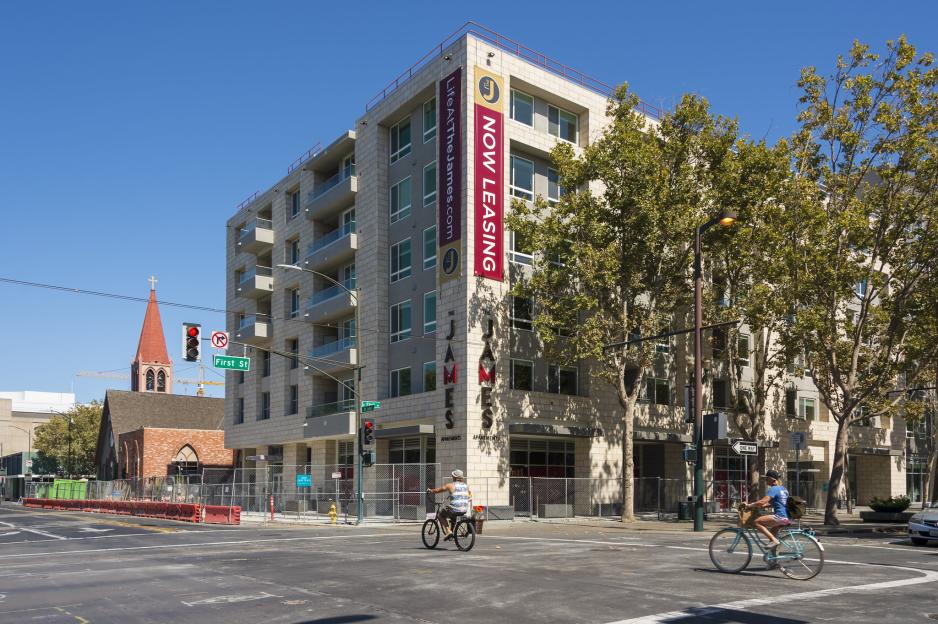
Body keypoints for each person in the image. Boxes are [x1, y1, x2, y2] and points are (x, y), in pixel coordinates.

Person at [744, 469, 791, 552]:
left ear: (772, 480)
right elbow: (775, 503)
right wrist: (760, 506)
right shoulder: (783, 489)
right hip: (787, 517)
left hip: (780, 517)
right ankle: (774, 562)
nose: (765, 480)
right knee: (772, 534)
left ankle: (774, 540)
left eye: (767, 478)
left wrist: (749, 505)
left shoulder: (774, 489)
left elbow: (762, 501)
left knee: (757, 522)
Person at [427, 469, 470, 540]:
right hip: (464, 509)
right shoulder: (466, 486)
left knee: (440, 515)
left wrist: (430, 491)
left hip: (455, 509)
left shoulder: (450, 485)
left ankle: (448, 531)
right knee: (453, 516)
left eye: (452, 476)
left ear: (454, 477)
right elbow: (467, 495)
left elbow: (438, 490)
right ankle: (452, 533)